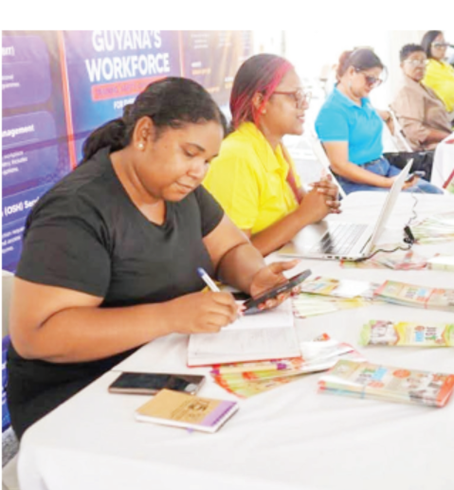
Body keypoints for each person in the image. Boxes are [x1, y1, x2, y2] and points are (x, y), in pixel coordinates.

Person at [7, 77, 300, 438]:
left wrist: (257, 277)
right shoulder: (76, 211)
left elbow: (231, 248)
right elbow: (38, 336)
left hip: (160, 363)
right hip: (78, 395)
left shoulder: (181, 190)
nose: (199, 172)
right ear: (144, 134)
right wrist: (170, 316)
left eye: (208, 161)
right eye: (190, 154)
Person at [202, 54, 341, 256]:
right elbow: (231, 258)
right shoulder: (236, 157)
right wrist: (303, 215)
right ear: (261, 101)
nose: (304, 105)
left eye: (303, 95)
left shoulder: (275, 147)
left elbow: (299, 205)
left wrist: (321, 201)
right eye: (294, 96)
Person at [315, 48, 442, 195]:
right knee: (421, 202)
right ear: (351, 72)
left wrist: (386, 115)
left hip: (382, 167)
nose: (372, 85)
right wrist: (386, 183)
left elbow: (364, 113)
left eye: (376, 80)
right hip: (356, 181)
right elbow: (340, 165)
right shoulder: (333, 112)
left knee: (435, 194)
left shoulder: (360, 98)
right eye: (370, 79)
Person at [391, 44, 452, 152]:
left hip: (444, 144)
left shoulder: (422, 87)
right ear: (402, 66)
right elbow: (414, 131)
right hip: (429, 151)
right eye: (414, 61)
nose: (420, 66)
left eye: (423, 61)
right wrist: (449, 137)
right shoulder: (407, 90)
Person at [420, 31, 454, 122]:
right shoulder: (426, 67)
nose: (443, 48)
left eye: (445, 44)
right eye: (438, 45)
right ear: (428, 46)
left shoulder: (446, 66)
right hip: (440, 118)